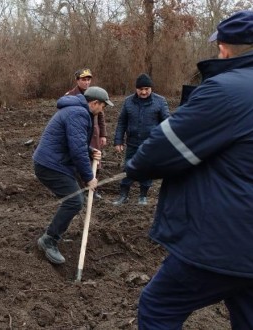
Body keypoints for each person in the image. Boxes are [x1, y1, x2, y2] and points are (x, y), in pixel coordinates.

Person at [125, 11, 253, 329]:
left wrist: (134, 168)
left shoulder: (224, 90)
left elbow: (156, 154)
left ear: (225, 48)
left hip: (226, 241)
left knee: (159, 306)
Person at [33, 87, 113, 264]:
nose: (103, 110)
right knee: (75, 201)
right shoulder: (79, 114)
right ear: (94, 103)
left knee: (74, 200)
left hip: (53, 162)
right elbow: (77, 151)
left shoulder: (76, 110)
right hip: (51, 165)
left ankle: (54, 235)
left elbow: (75, 142)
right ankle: (49, 240)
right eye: (103, 106)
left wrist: (90, 151)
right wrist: (89, 178)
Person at [112, 73, 169, 206]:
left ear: (151, 89)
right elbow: (122, 122)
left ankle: (143, 196)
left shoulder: (160, 102)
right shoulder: (128, 102)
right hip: (132, 142)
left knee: (147, 169)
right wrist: (118, 141)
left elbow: (166, 123)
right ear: (136, 89)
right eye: (140, 89)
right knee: (127, 168)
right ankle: (123, 195)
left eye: (146, 89)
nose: (143, 92)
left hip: (150, 144)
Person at [65, 68, 108, 199]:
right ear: (77, 80)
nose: (87, 82)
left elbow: (100, 116)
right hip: (78, 132)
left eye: (88, 79)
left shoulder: (96, 94)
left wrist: (103, 134)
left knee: (95, 160)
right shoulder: (70, 96)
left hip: (93, 133)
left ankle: (94, 190)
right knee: (80, 159)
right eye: (83, 80)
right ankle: (80, 189)